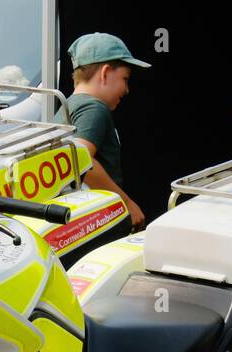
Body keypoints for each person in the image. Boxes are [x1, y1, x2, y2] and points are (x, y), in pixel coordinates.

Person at [64, 33, 149, 231]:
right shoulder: (94, 108)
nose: (126, 89)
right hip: (98, 218)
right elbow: (79, 159)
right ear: (105, 73)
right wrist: (126, 204)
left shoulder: (68, 106)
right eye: (125, 79)